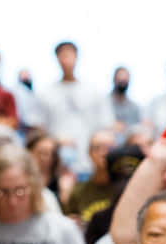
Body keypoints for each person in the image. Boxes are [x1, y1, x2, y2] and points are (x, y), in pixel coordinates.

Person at [39, 41, 113, 177]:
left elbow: (105, 125)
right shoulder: (46, 93)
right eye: (62, 56)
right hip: (57, 163)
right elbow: (39, 128)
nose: (66, 60)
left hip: (89, 161)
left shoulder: (93, 90)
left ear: (77, 57)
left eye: (69, 55)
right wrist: (55, 140)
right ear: (57, 59)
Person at [65, 130, 117, 230]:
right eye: (97, 148)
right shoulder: (78, 190)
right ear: (89, 153)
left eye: (109, 147)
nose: (103, 152)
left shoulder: (126, 188)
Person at [26, 129, 75, 208]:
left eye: (52, 153)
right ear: (29, 152)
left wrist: (66, 195)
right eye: (42, 152)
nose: (47, 158)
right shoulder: (22, 180)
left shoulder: (62, 181)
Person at [108, 66, 141, 133]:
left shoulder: (134, 107)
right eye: (120, 80)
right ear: (114, 80)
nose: (122, 83)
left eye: (125, 81)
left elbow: (136, 128)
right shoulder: (105, 103)